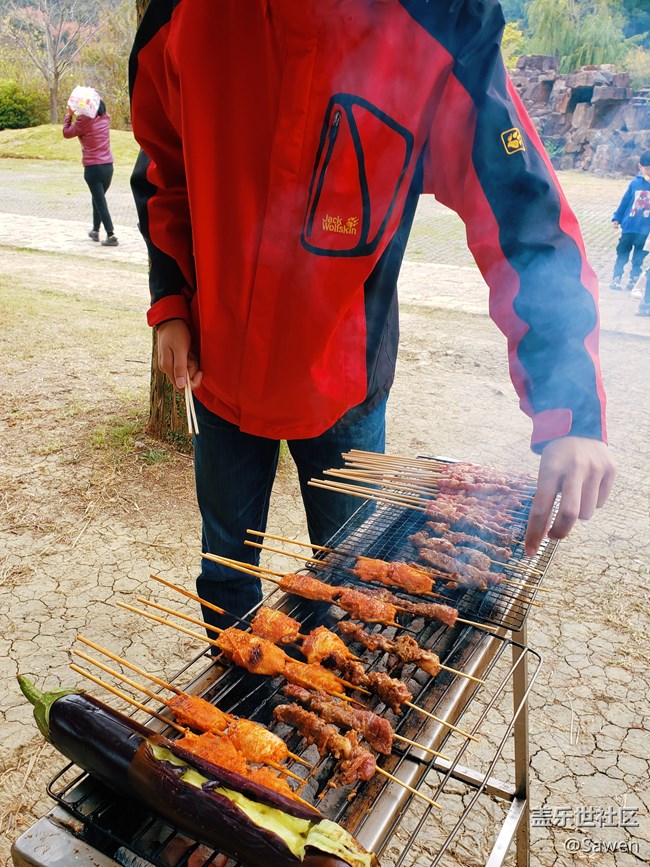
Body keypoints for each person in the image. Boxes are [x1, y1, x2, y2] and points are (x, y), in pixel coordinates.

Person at [129, 0, 615, 632]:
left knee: (354, 581)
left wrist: (571, 406)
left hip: (345, 385)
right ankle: (239, 686)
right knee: (225, 571)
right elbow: (166, 171)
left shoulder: (439, 19)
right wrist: (171, 305)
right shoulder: (183, 14)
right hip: (218, 372)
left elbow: (522, 211)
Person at [63, 97, 119, 247]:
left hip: (93, 167)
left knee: (100, 202)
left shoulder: (84, 120)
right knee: (97, 198)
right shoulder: (105, 118)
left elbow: (67, 133)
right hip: (108, 166)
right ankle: (95, 230)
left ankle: (111, 235)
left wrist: (69, 114)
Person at [610, 151, 650, 291]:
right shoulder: (635, 184)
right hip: (629, 227)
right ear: (640, 167)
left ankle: (634, 278)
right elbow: (625, 202)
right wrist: (617, 217)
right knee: (622, 253)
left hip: (645, 230)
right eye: (647, 168)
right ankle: (617, 277)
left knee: (639, 256)